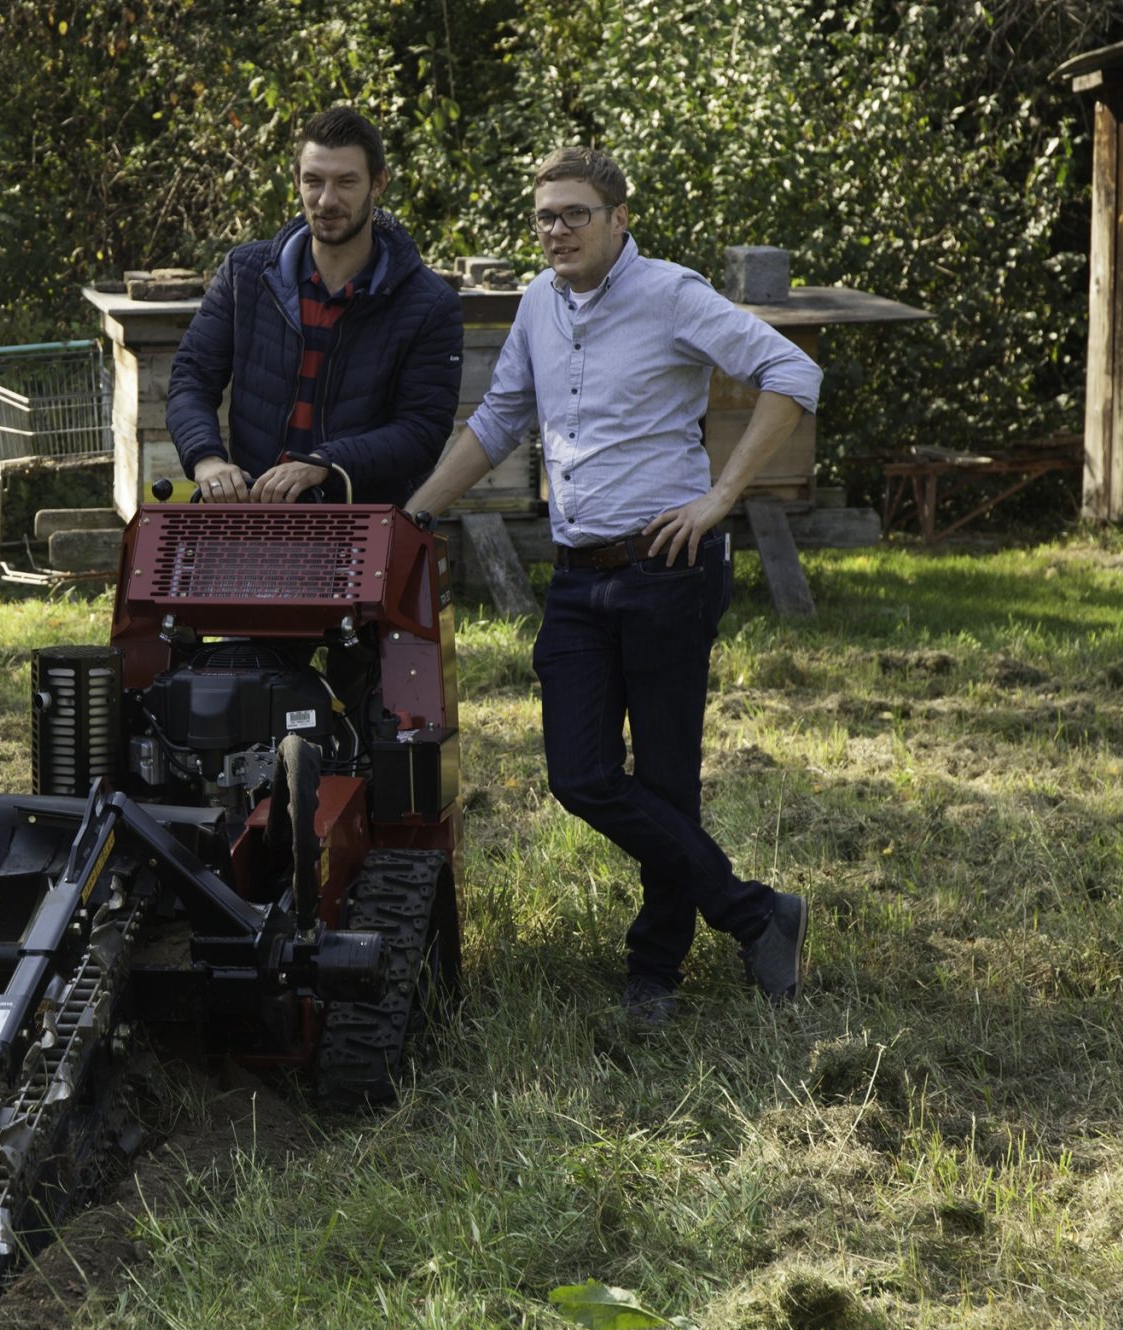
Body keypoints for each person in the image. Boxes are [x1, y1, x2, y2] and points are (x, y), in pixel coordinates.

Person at [404, 146, 815, 1025]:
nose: (557, 230)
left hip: (668, 569)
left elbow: (793, 374)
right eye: (544, 216)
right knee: (581, 774)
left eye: (574, 214)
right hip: (578, 580)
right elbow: (499, 418)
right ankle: (754, 913)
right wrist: (416, 513)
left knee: (666, 782)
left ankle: (653, 972)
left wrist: (721, 497)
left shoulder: (669, 293)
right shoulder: (537, 305)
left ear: (619, 219)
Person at [167, 106, 462, 509]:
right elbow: (191, 379)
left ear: (378, 183)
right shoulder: (244, 274)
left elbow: (422, 431)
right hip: (255, 518)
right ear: (296, 181)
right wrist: (206, 459)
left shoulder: (429, 303)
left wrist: (326, 463)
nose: (327, 200)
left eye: (346, 182)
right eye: (314, 181)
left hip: (363, 526)